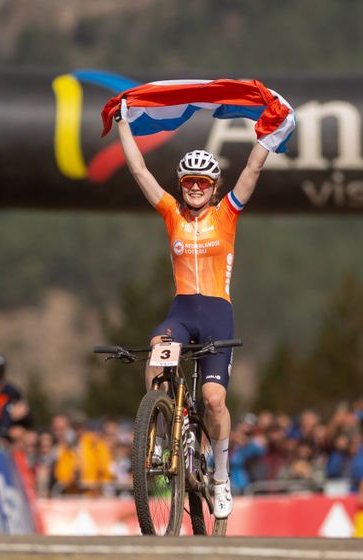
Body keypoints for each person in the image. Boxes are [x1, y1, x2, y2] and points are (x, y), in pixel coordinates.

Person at [115, 97, 270, 519]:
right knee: (156, 350)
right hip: (182, 311)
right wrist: (123, 123)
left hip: (218, 313)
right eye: (189, 181)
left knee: (213, 400)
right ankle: (161, 428)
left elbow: (252, 170)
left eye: (203, 181)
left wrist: (269, 136)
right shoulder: (171, 214)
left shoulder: (227, 214)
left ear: (214, 186)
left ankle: (220, 476)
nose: (196, 187)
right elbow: (138, 171)